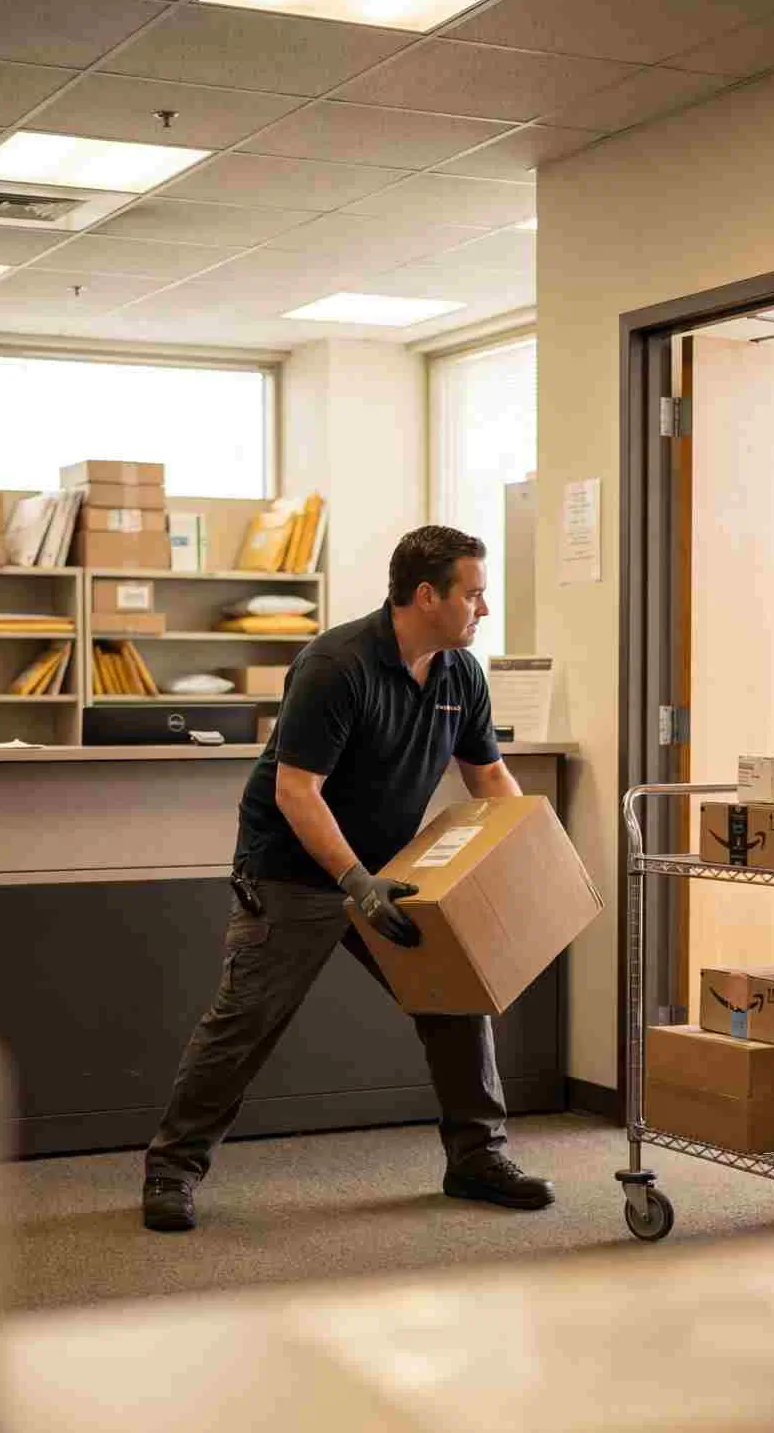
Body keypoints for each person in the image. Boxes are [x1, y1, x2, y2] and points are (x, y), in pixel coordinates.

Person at [142, 524, 554, 1232]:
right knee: (245, 1025)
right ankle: (171, 1172)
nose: (483, 610)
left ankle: (477, 1159)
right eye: (474, 595)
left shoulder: (460, 674)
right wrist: (353, 879)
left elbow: (486, 775)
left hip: (389, 872)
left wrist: (534, 854)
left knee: (458, 998)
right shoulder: (337, 664)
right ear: (427, 596)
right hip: (293, 872)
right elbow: (297, 791)